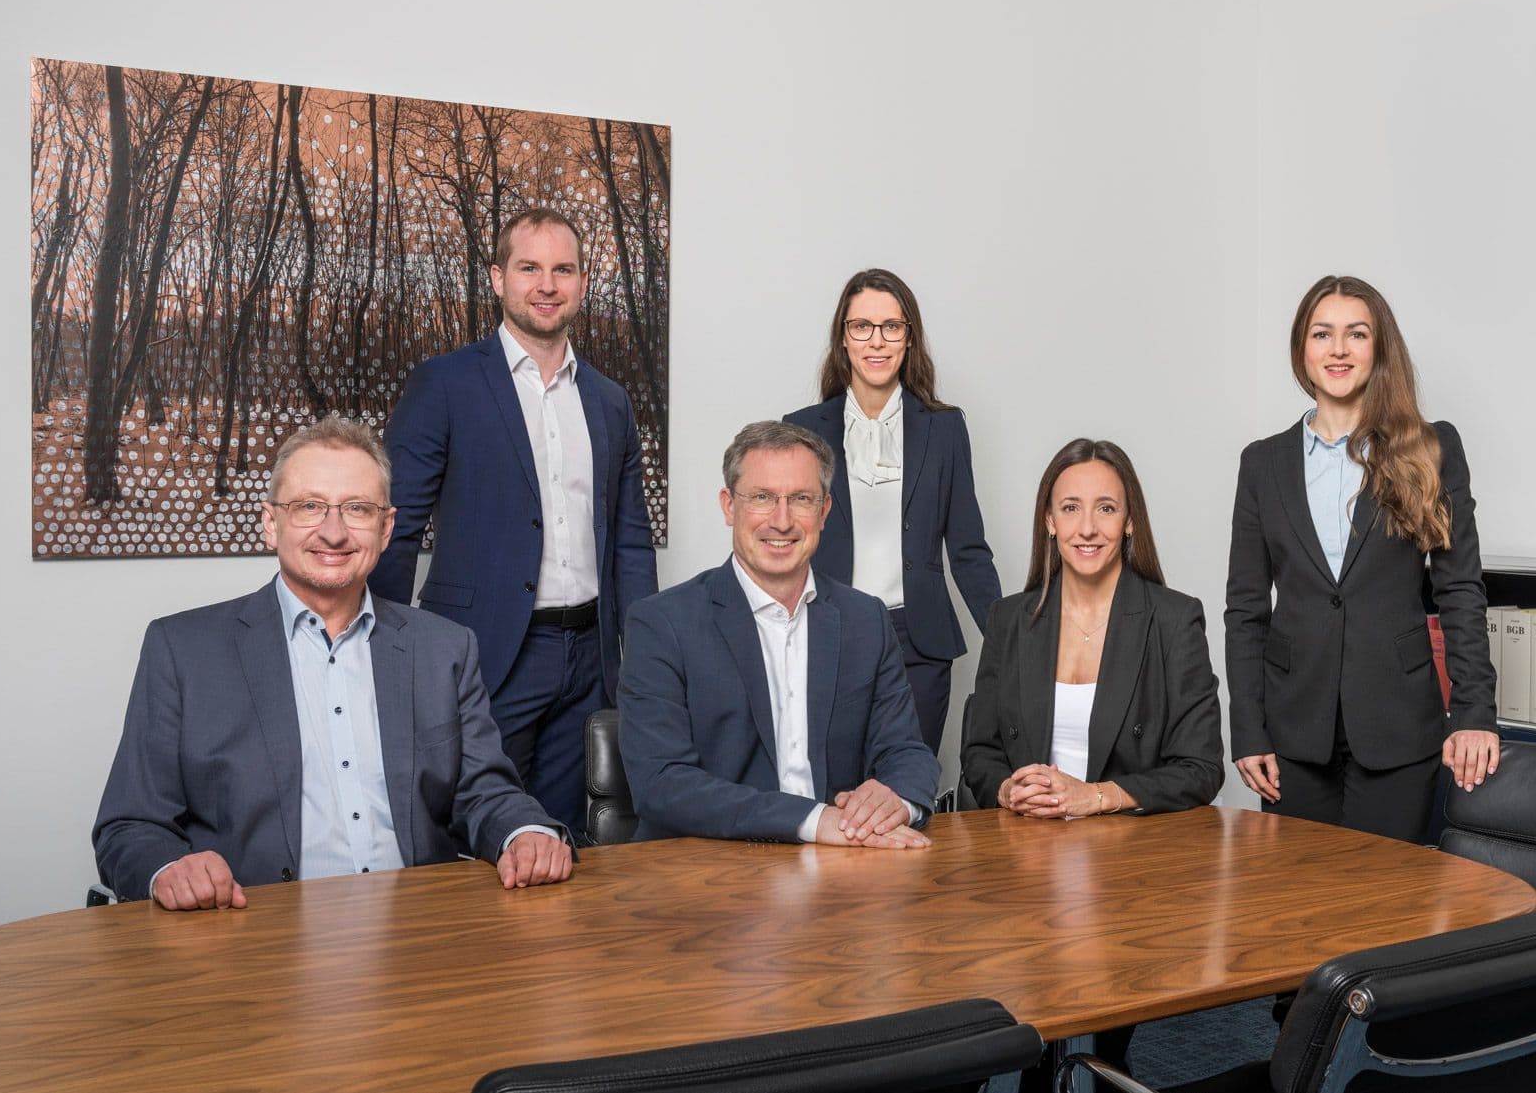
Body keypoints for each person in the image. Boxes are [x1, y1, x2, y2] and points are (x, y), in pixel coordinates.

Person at [94, 416, 572, 910]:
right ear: (270, 522)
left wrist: (524, 832)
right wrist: (170, 867)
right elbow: (129, 826)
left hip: (420, 937)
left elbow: (485, 792)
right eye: (309, 507)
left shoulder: (444, 649)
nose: (334, 532)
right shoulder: (183, 650)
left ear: (386, 528)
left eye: (357, 509)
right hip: (250, 935)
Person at [370, 207, 657, 835]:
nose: (547, 285)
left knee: (559, 841)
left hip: (589, 658)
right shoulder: (444, 384)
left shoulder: (609, 400)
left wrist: (645, 658)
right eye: (530, 267)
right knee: (467, 835)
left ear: (583, 282)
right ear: (499, 278)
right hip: (484, 651)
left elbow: (630, 543)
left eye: (563, 269)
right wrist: (382, 654)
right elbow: (394, 527)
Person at [960, 439, 1223, 1080]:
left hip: (1126, 869)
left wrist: (1093, 795)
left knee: (1092, 1035)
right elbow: (977, 750)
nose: (1087, 527)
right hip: (1021, 859)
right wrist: (1007, 790)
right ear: (1047, 521)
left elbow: (1201, 767)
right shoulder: (1010, 618)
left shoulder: (1172, 619)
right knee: (999, 1017)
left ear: (1130, 521)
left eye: (1105, 508)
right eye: (1070, 508)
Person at [1225, 275, 1499, 845]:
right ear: (1303, 348)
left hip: (1398, 726)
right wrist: (1248, 729)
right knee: (1297, 912)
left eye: (1357, 333)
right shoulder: (1262, 464)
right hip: (1293, 730)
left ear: (1379, 348)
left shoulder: (1430, 448)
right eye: (1323, 334)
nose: (1339, 349)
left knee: (1387, 910)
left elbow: (1460, 591)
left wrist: (1473, 713)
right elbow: (1245, 609)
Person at [618, 420, 941, 845]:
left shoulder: (866, 620)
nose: (782, 520)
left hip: (842, 867)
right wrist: (811, 821)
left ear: (824, 511)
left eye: (802, 499)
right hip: (706, 874)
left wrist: (896, 799)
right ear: (729, 506)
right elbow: (661, 784)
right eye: (762, 498)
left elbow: (907, 752)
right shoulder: (662, 623)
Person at [783, 269, 1000, 754]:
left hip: (919, 641)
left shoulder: (944, 429)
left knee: (906, 792)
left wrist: (1010, 639)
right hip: (828, 632)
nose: (876, 341)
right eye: (862, 326)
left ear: (909, 338)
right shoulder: (801, 431)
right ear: (843, 338)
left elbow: (968, 549)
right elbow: (785, 543)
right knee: (835, 797)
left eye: (891, 327)